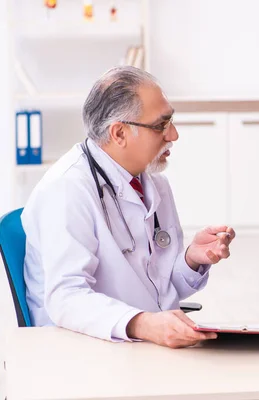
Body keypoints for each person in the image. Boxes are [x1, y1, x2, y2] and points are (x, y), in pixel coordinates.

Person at [22, 66, 235, 348]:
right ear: (119, 133)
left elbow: (160, 291)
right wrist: (144, 324)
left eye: (171, 120)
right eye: (161, 125)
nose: (173, 134)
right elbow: (66, 298)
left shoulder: (154, 182)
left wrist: (192, 260)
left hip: (142, 345)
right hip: (85, 351)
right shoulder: (67, 189)